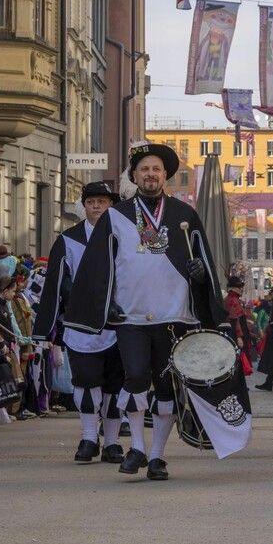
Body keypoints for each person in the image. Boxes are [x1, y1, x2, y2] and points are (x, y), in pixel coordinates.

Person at [66, 143, 228, 481]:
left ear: (165, 174)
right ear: (135, 175)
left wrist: (200, 274)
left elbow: (207, 262)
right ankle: (137, 446)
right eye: (144, 169)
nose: (150, 174)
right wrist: (104, 305)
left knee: (167, 388)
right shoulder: (115, 215)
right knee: (135, 378)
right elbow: (97, 268)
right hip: (132, 317)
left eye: (156, 169)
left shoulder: (185, 215)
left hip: (174, 317)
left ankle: (157, 455)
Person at [33, 181, 126, 464]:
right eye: (91, 201)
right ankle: (88, 437)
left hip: (119, 324)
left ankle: (111, 442)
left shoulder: (124, 236)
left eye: (102, 201)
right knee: (86, 382)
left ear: (111, 205)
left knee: (115, 384)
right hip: (81, 326)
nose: (97, 206)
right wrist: (45, 329)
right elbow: (55, 283)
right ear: (83, 206)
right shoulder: (68, 240)